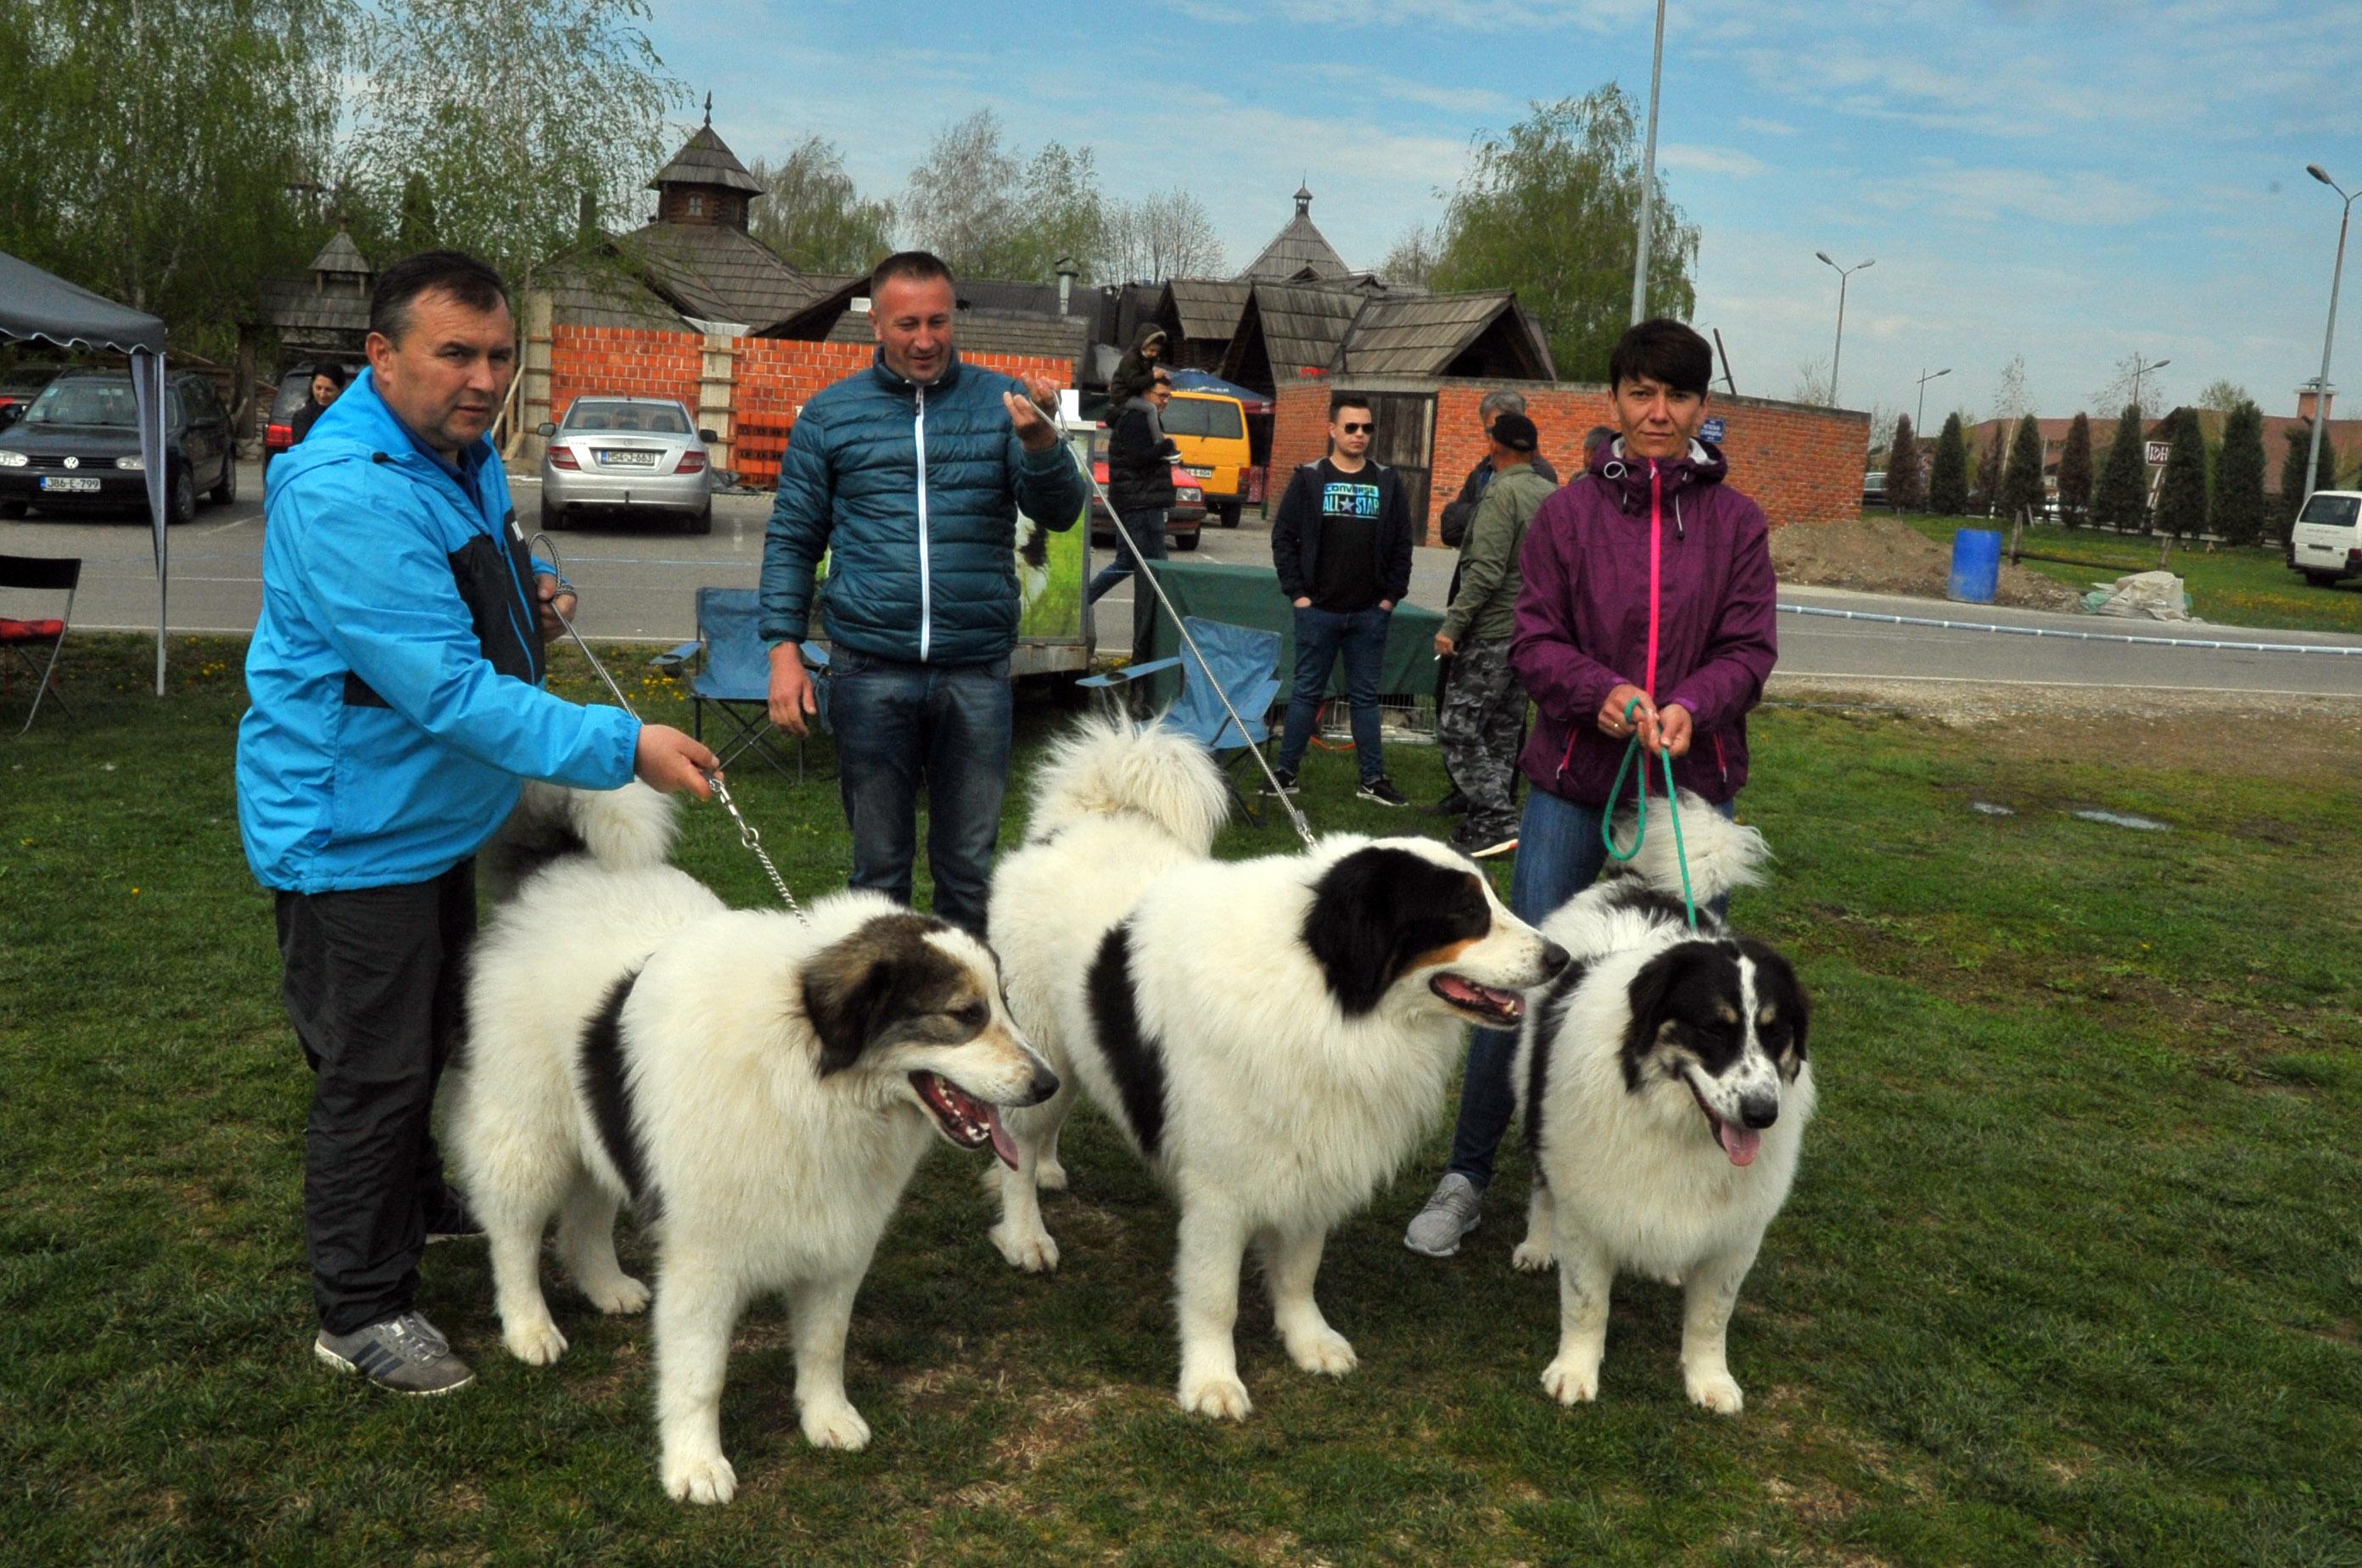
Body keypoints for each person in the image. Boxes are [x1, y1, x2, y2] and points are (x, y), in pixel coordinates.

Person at [238, 249, 721, 1392]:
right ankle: (359, 1310)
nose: (483, 377)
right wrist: (625, 747)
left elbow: (476, 591)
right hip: (349, 833)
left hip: (428, 820)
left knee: (429, 1043)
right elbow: (446, 691)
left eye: (498, 354)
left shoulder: (456, 458)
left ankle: (412, 1198)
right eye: (454, 352)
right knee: (374, 1073)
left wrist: (529, 603)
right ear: (381, 354)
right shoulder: (349, 489)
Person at [1404, 318, 1778, 1257]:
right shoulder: (1567, 516)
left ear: (1701, 409)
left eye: (1678, 397)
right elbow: (1534, 642)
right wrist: (1600, 694)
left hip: (1690, 797)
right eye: (1642, 393)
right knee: (1523, 982)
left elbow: (1750, 649)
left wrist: (1694, 702)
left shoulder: (1738, 524)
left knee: (1684, 1000)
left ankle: (1661, 1183)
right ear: (1612, 400)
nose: (1659, 413)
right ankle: (1471, 1172)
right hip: (1575, 788)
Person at [761, 250, 1084, 938]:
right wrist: (783, 651)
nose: (925, 339)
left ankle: (971, 1019)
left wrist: (1041, 447)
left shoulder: (1003, 404)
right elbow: (792, 537)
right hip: (869, 669)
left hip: (975, 670)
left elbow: (1059, 512)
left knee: (968, 869)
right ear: (875, 323)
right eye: (907, 323)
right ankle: (884, 1019)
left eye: (938, 320)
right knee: (878, 873)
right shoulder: (830, 416)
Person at [1265, 390, 1413, 807]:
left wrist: (1389, 598)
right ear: (1332, 429)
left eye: (1367, 427)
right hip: (1318, 613)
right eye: (1351, 427)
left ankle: (1373, 779)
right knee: (1306, 693)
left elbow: (1403, 543)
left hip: (1369, 614)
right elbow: (1284, 538)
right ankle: (1286, 774)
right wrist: (1298, 594)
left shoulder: (1387, 480)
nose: (1360, 434)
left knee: (1365, 698)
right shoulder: (1310, 478)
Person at [1426, 389, 1558, 817]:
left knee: (1458, 731)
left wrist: (1452, 626)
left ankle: (1497, 813)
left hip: (1492, 630)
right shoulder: (1549, 493)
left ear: (1494, 445)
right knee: (1503, 733)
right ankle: (1492, 828)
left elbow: (1485, 571)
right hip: (1529, 630)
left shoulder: (1502, 493)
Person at [1086, 368, 1178, 670]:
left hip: (1136, 502)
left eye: (1168, 397)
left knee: (1127, 562)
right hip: (1141, 505)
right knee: (1153, 574)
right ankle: (1146, 650)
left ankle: (1081, 601)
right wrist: (1166, 447)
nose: (1165, 402)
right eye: (1162, 396)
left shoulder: (1135, 416)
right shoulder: (1139, 418)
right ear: (1145, 393)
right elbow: (1141, 458)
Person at [1105, 323, 1168, 407]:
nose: (1154, 354)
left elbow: (1145, 378)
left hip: (1132, 395)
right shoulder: (1131, 359)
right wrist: (1153, 376)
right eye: (1152, 350)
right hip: (1123, 396)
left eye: (1157, 351)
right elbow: (1133, 382)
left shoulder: (1147, 360)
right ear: (1143, 345)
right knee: (1151, 409)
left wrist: (1161, 377)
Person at [288, 363, 345, 445]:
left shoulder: (348, 415)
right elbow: (301, 449)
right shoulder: (303, 417)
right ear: (312, 386)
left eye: (329, 390)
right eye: (318, 388)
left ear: (339, 390)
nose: (322, 395)